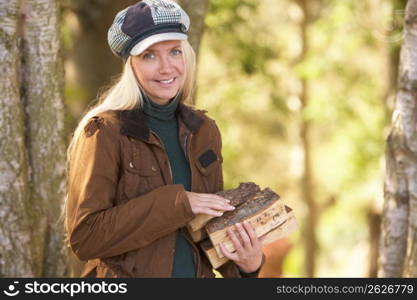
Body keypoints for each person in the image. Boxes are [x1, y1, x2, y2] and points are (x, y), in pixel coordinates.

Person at [65, 0, 264, 278]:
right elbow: (86, 237)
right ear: (130, 65)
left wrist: (247, 266)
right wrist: (179, 203)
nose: (166, 67)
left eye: (174, 51)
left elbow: (208, 229)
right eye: (149, 55)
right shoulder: (105, 131)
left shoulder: (203, 129)